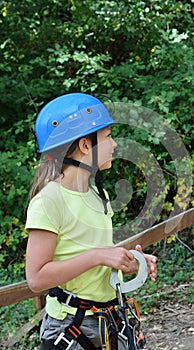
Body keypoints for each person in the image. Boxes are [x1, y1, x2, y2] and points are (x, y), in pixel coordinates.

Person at [25, 93, 158, 350]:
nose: (115, 144)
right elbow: (36, 278)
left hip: (106, 322)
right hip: (70, 327)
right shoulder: (49, 201)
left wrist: (127, 262)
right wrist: (98, 256)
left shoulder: (98, 195)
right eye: (108, 137)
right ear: (85, 146)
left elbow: (88, 258)